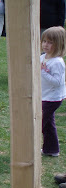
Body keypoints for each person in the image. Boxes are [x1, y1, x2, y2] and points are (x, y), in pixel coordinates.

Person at [40, 26, 66, 158]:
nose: (46, 45)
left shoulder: (57, 63)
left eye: (50, 42)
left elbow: (58, 82)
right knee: (48, 123)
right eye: (44, 41)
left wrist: (43, 72)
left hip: (53, 98)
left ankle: (51, 148)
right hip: (44, 96)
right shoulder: (43, 57)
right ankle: (50, 149)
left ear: (59, 44)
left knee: (43, 122)